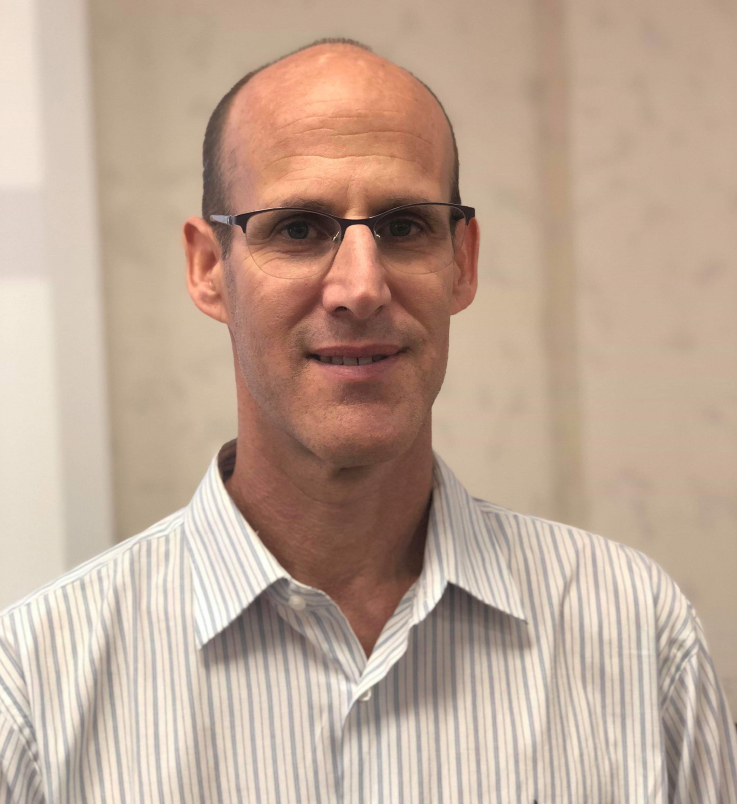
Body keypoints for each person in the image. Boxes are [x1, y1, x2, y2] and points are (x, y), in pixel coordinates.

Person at [0, 38, 735, 804]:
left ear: (462, 261)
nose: (360, 287)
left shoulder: (635, 635)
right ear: (208, 268)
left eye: (404, 225)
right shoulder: (35, 690)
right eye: (297, 227)